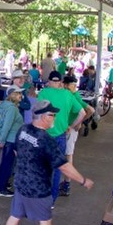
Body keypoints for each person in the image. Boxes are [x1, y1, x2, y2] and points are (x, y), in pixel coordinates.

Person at [0, 100, 94, 225]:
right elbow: (64, 167)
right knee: (45, 219)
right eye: (52, 115)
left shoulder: (23, 129)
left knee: (15, 216)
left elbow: (16, 151)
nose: (54, 118)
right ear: (44, 117)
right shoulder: (47, 141)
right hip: (38, 188)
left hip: (21, 183)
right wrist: (83, 180)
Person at [37, 71, 85, 204]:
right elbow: (82, 113)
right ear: (60, 82)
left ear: (50, 81)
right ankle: (52, 199)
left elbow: (36, 112)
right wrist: (71, 125)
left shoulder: (44, 93)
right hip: (61, 136)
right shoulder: (68, 94)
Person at [0, 86, 25, 197]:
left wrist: (2, 138)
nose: (21, 96)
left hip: (9, 139)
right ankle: (1, 189)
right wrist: (2, 140)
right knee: (8, 164)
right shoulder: (12, 108)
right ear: (13, 95)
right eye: (18, 94)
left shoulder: (7, 106)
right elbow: (7, 124)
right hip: (11, 140)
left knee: (5, 163)